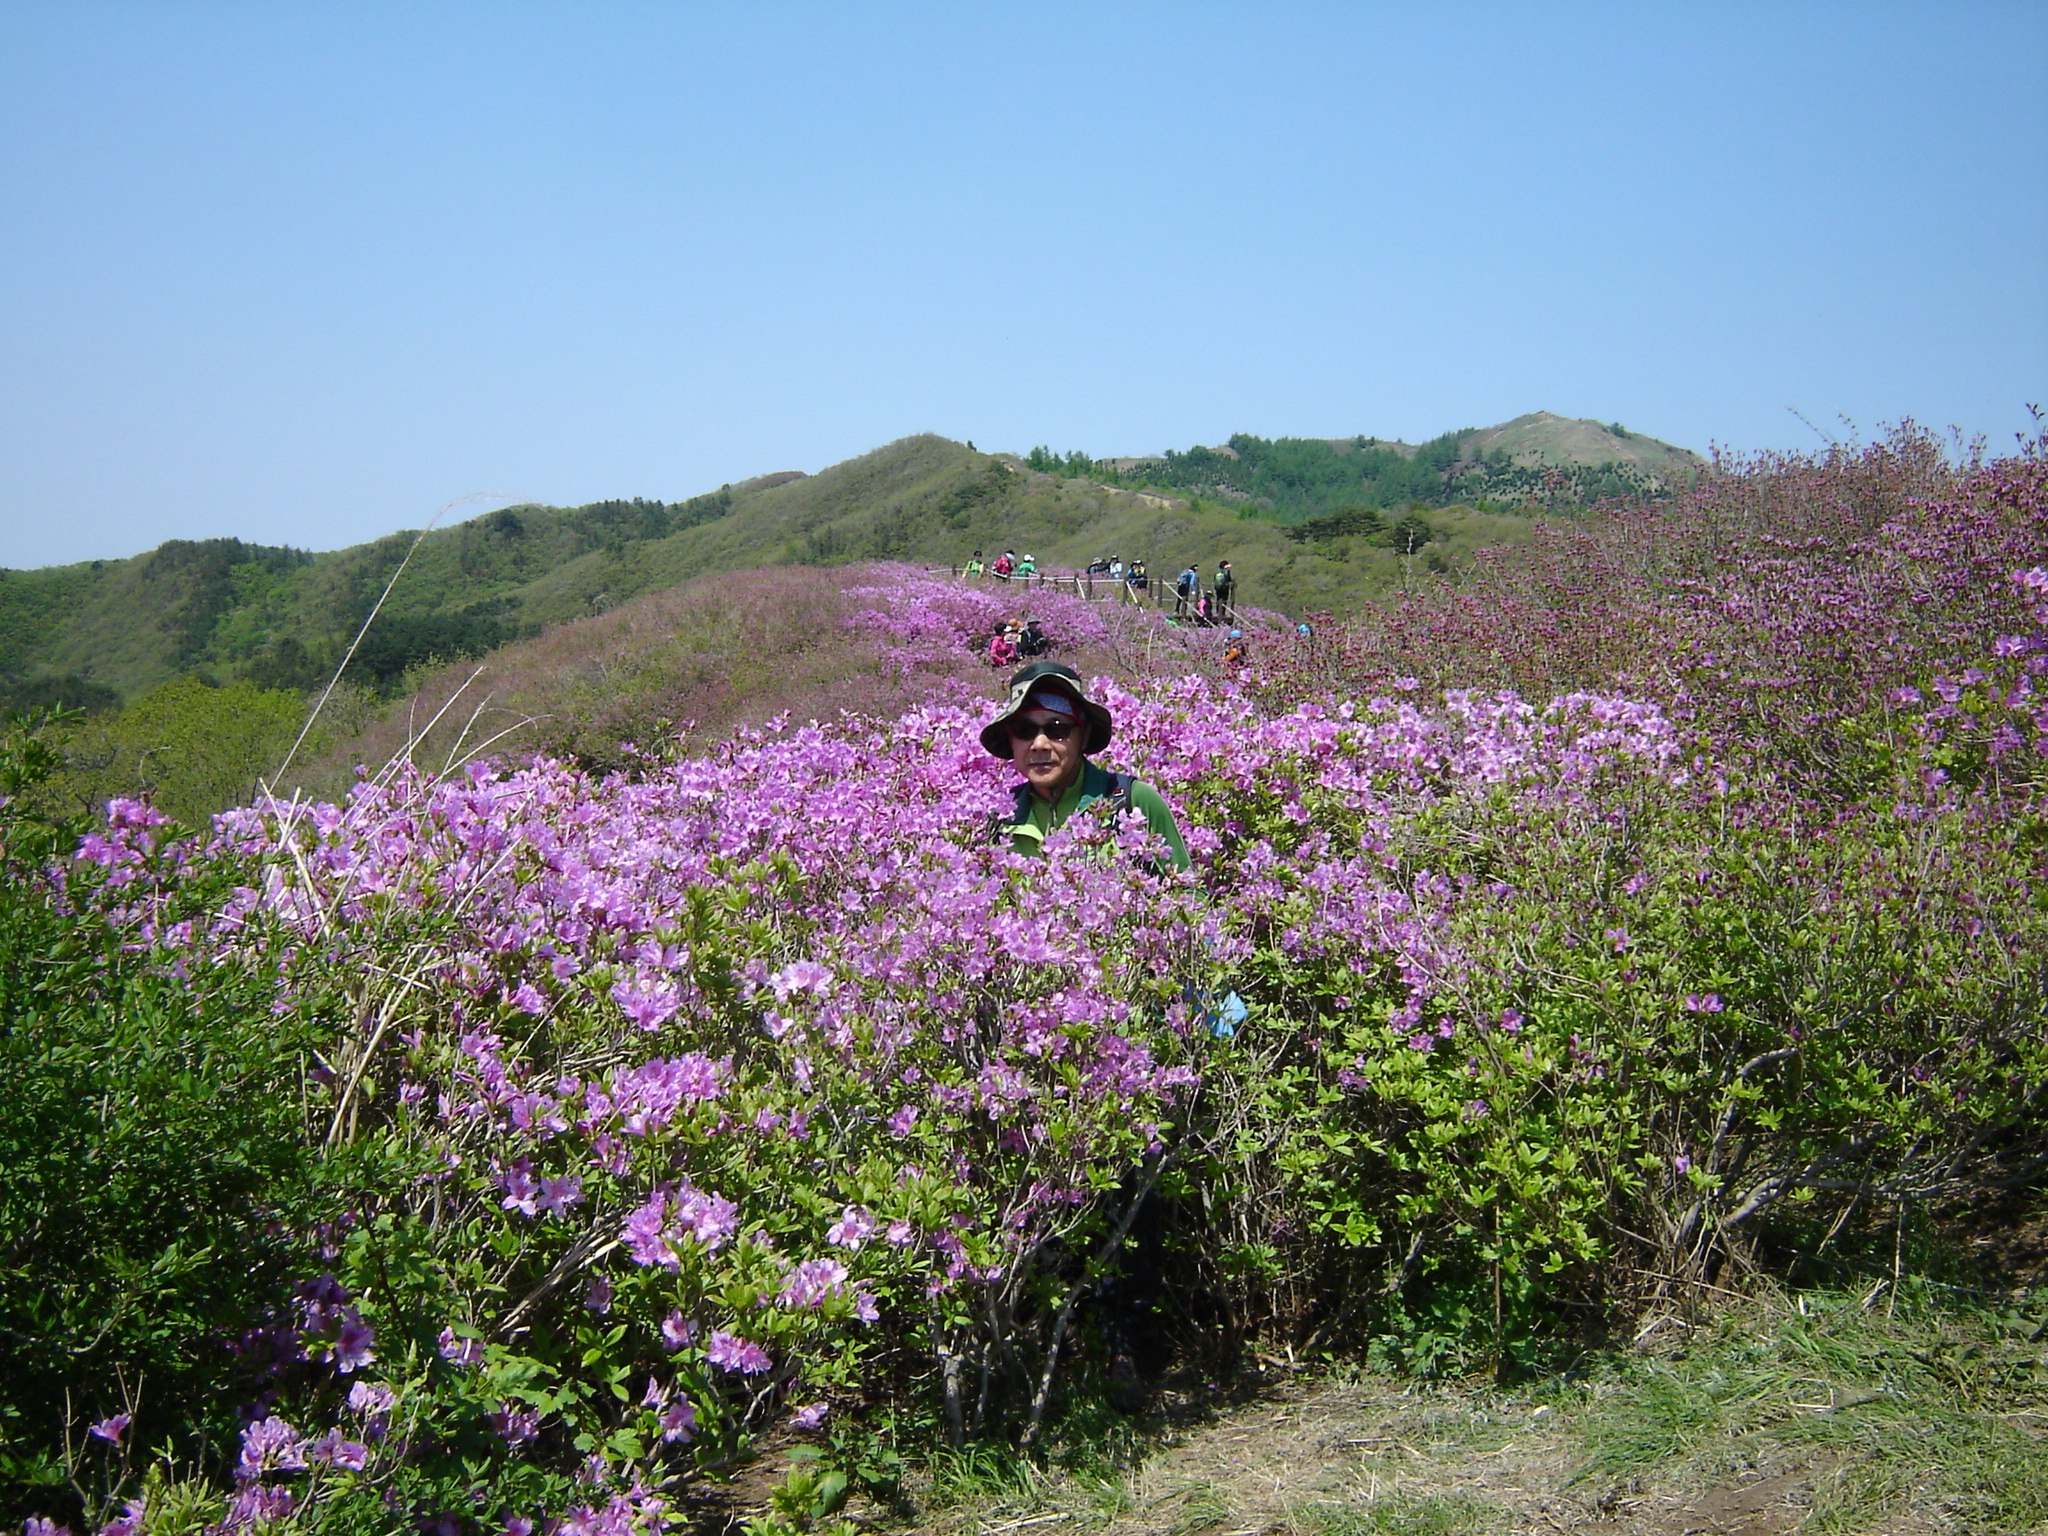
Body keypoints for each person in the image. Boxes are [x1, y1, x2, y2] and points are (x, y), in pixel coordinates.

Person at [980, 661, 1188, 871]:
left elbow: (1184, 887)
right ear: (1011, 739)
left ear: (1084, 736)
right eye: (1024, 729)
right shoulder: (998, 817)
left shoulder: (1132, 800)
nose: (1039, 744)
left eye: (1057, 729)